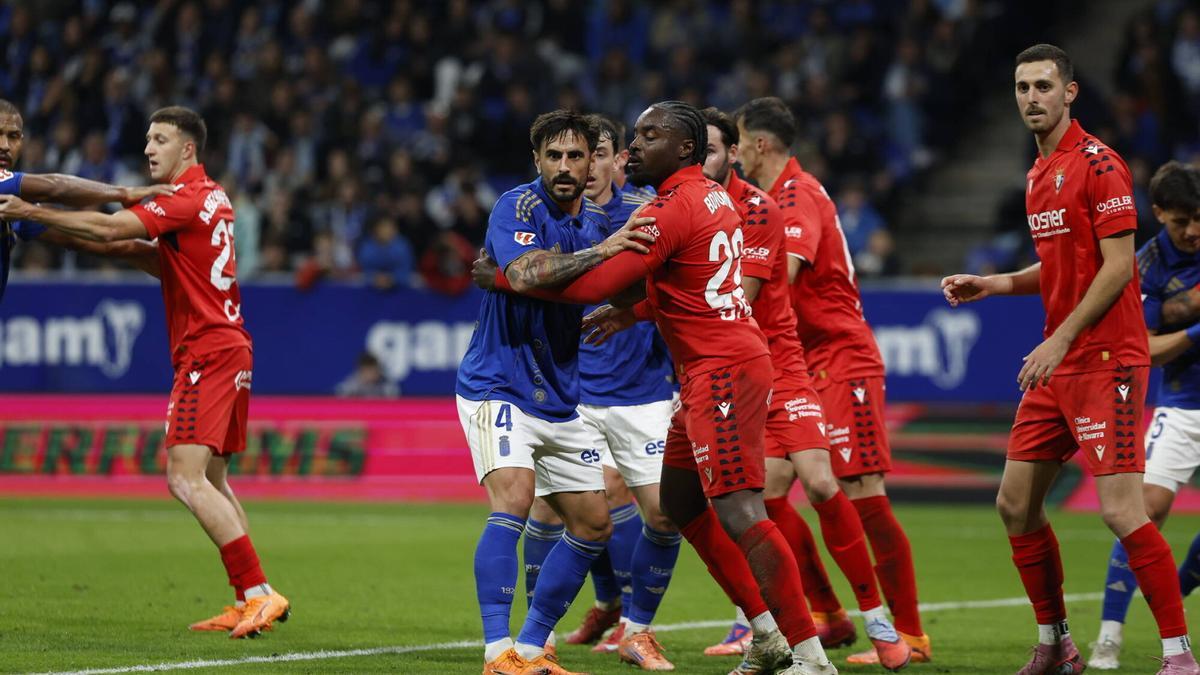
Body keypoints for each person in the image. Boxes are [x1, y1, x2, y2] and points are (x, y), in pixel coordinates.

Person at [491, 100, 839, 674]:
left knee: (742, 511)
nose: (631, 151)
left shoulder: (669, 210)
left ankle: (809, 655)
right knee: (678, 502)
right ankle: (768, 633)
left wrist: (511, 278)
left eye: (647, 138)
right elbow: (690, 283)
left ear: (684, 149)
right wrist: (635, 313)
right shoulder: (710, 195)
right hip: (712, 367)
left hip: (721, 371)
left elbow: (594, 286)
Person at [941, 44, 1198, 675]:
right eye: (1023, 87)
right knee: (1014, 504)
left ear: (1069, 93)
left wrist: (1059, 340)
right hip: (1060, 361)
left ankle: (1178, 655)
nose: (1032, 97)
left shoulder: (1098, 164)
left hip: (1106, 358)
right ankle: (1057, 642)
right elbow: (1058, 264)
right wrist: (994, 283)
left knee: (1121, 510)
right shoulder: (1037, 174)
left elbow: (1116, 268)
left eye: (1043, 86)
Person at [0, 106, 291, 640]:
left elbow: (111, 226)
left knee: (182, 478)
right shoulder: (213, 197)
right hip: (231, 346)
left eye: (160, 140)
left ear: (188, 148)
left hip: (206, 352)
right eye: (147, 141)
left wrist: (31, 210)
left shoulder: (181, 200)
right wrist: (43, 229)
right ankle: (245, 596)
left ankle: (258, 593)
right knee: (213, 479)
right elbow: (139, 251)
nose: (149, 150)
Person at [699, 106, 911, 671]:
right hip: (758, 366)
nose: (723, 156)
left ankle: (888, 622)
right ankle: (812, 615)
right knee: (760, 499)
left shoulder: (780, 202)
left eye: (729, 145)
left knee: (829, 484)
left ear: (750, 147)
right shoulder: (704, 207)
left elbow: (757, 289)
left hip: (810, 360)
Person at [453, 109, 655, 675]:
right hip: (499, 384)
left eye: (575, 156)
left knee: (593, 523)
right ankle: (498, 653)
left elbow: (632, 282)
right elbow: (525, 274)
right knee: (515, 498)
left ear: (596, 160)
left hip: (560, 397)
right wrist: (608, 250)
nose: (564, 167)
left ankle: (535, 643)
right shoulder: (517, 206)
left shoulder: (597, 222)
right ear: (536, 160)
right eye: (553, 156)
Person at [1087, 162, 1200, 670]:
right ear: (1158, 214)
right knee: (1144, 510)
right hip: (1183, 405)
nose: (1194, 231)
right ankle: (1109, 635)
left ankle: (1169, 598)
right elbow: (1143, 349)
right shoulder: (1144, 267)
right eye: (1182, 222)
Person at [0, 98, 166, 301]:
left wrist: (153, 251)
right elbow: (55, 188)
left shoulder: (12, 207)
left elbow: (88, 240)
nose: (5, 146)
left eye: (13, 136)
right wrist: (122, 193)